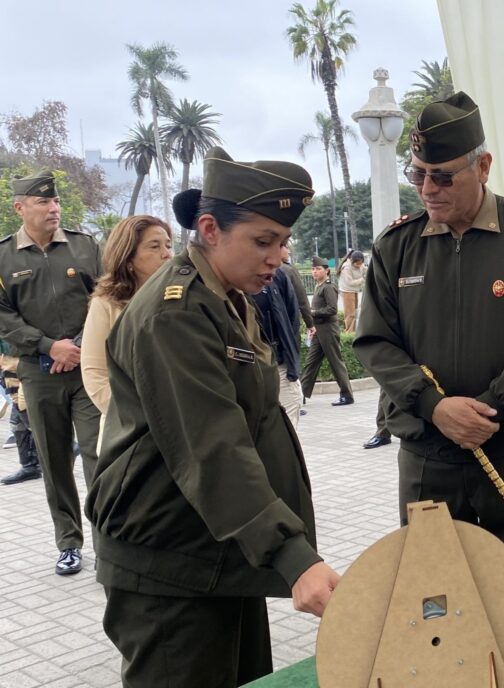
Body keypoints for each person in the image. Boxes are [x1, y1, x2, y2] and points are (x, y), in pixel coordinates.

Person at [85, 147, 339, 687]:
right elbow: (213, 447)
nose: (278, 257)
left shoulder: (224, 295)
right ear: (209, 229)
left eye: (283, 242)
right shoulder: (175, 312)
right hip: (167, 562)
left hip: (217, 550)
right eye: (263, 241)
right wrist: (292, 556)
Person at [353, 91, 504, 561]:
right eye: (417, 174)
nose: (427, 189)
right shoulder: (396, 246)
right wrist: (435, 407)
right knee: (433, 587)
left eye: (442, 176)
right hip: (429, 456)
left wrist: (489, 410)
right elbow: (375, 341)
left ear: (483, 167)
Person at [0, 171, 102, 576]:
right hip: (38, 374)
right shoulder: (4, 257)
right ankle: (69, 543)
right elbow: (3, 316)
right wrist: (48, 346)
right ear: (20, 207)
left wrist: (77, 344)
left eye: (55, 201)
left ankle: (108, 544)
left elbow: (106, 296)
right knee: (54, 461)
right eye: (43, 202)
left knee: (98, 455)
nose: (53, 208)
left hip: (87, 369)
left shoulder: (85, 246)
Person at [81, 215, 174, 453]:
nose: (166, 254)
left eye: (168, 245)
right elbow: (95, 374)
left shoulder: (182, 298)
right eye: (154, 246)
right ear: (128, 257)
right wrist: (137, 416)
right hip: (130, 434)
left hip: (182, 428)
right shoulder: (106, 304)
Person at [252, 245, 304, 426]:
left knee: (289, 419)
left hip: (279, 363)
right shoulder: (229, 278)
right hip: (247, 371)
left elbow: (293, 317)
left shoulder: (278, 274)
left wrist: (290, 357)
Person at [299, 256, 354, 407]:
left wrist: (313, 313)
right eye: (313, 269)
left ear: (326, 271)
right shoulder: (319, 286)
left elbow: (332, 309)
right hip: (319, 331)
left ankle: (347, 395)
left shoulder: (328, 287)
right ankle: (300, 395)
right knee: (310, 364)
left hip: (328, 330)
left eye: (318, 269)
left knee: (336, 363)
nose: (314, 272)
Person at [0, 341, 40, 484]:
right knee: (17, 416)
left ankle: (64, 446)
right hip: (11, 355)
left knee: (22, 405)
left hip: (19, 355)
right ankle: (29, 465)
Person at [338, 250, 366, 333]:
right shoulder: (346, 267)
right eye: (357, 263)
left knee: (355, 312)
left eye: (361, 263)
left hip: (355, 290)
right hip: (347, 291)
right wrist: (363, 279)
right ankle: (349, 332)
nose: (359, 265)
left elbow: (365, 270)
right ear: (352, 260)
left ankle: (353, 331)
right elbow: (350, 282)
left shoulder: (361, 265)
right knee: (350, 314)